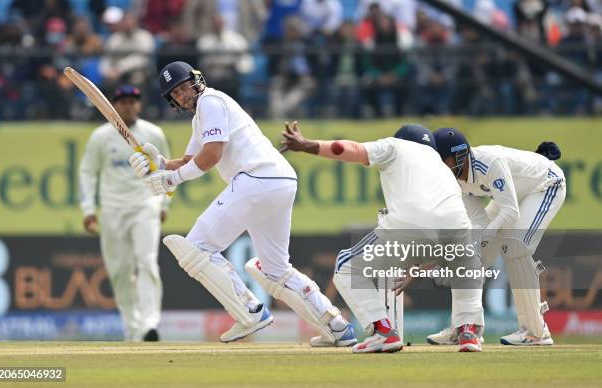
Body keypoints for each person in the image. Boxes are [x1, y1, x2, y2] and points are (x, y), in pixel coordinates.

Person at [128, 61, 356, 346]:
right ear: (172, 100)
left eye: (185, 86)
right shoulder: (202, 114)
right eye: (176, 93)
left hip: (257, 179)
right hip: (279, 180)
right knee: (275, 270)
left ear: (196, 80)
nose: (183, 94)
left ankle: (249, 312)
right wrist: (159, 164)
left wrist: (171, 180)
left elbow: (211, 155)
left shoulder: (210, 101)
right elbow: (189, 161)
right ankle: (336, 326)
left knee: (197, 246)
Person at [281, 123, 485, 353]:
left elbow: (349, 148)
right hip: (458, 228)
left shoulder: (396, 146)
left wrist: (309, 145)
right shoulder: (440, 165)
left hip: (409, 227)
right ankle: (468, 332)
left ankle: (384, 331)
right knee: (467, 267)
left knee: (347, 267)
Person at [428, 128, 565, 346]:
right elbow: (478, 221)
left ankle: (536, 332)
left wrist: (481, 241)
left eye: (442, 161)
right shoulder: (452, 180)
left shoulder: (489, 163)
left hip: (545, 185)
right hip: (510, 198)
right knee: (471, 258)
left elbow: (510, 212)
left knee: (514, 246)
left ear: (459, 156)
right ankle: (465, 328)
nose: (438, 168)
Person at [79, 85, 170, 341]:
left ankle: (150, 325)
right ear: (115, 105)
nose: (128, 105)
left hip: (145, 205)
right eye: (123, 101)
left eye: (133, 101)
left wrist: (163, 204)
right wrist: (88, 209)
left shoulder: (154, 133)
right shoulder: (100, 137)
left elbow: (165, 169)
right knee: (120, 270)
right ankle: (133, 328)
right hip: (111, 209)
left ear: (139, 105)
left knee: (147, 261)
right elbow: (87, 172)